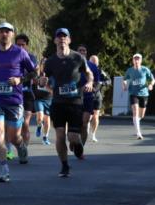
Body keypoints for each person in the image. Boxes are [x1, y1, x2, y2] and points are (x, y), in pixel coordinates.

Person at [0, 22, 37, 183]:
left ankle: (21, 147)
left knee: (13, 137)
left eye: (7, 32)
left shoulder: (20, 53)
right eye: (1, 31)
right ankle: (4, 169)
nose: (4, 34)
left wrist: (20, 79)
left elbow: (33, 73)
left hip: (14, 100)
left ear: (12, 34)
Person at [42, 28, 92, 177]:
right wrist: (45, 83)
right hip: (58, 103)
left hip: (75, 102)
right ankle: (64, 166)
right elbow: (44, 79)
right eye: (59, 37)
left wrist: (89, 82)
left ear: (69, 40)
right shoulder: (50, 61)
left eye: (65, 37)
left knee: (73, 137)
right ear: (55, 41)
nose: (62, 39)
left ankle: (78, 145)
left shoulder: (77, 58)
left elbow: (88, 73)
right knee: (59, 135)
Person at [122, 53, 155, 140]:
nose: (136, 60)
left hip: (144, 94)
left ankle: (136, 120)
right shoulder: (129, 70)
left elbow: (152, 79)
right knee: (135, 111)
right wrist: (125, 85)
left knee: (141, 115)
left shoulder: (145, 70)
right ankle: (138, 133)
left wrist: (151, 85)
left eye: (138, 59)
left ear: (140, 60)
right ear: (133, 60)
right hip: (133, 93)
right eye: (135, 59)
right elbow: (125, 79)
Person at [76, 44, 104, 145]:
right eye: (80, 50)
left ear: (86, 53)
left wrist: (92, 89)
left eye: (84, 51)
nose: (82, 52)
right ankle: (75, 139)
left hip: (88, 97)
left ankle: (81, 146)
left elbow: (97, 83)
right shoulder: (72, 65)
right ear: (77, 52)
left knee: (85, 122)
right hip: (75, 98)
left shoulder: (92, 66)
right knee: (77, 123)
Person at [15, 34, 38, 149]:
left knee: (25, 123)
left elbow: (32, 73)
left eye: (23, 45)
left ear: (27, 46)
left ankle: (25, 149)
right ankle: (13, 146)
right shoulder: (10, 57)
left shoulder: (31, 58)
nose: (20, 47)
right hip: (13, 94)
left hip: (27, 93)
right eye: (18, 45)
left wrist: (21, 79)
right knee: (14, 125)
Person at [32, 53, 53, 145]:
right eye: (43, 63)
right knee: (40, 117)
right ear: (40, 65)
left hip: (49, 99)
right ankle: (39, 126)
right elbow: (33, 85)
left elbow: (54, 88)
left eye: (46, 63)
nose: (44, 65)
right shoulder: (36, 74)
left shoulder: (52, 75)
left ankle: (45, 137)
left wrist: (49, 85)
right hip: (39, 99)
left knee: (47, 120)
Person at [88, 54, 107, 141]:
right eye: (93, 62)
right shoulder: (86, 70)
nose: (95, 63)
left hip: (97, 95)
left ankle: (93, 135)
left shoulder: (100, 71)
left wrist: (103, 83)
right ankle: (86, 129)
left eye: (96, 62)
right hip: (87, 95)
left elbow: (108, 80)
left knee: (96, 116)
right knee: (88, 116)